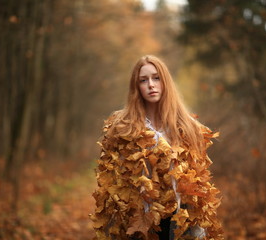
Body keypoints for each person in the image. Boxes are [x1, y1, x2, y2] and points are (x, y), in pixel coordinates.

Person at [90, 55, 223, 240]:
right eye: (143, 80)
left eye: (156, 78)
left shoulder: (187, 126)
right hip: (138, 217)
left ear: (165, 81)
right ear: (136, 87)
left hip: (179, 216)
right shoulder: (122, 126)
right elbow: (112, 182)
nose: (151, 85)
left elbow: (198, 182)